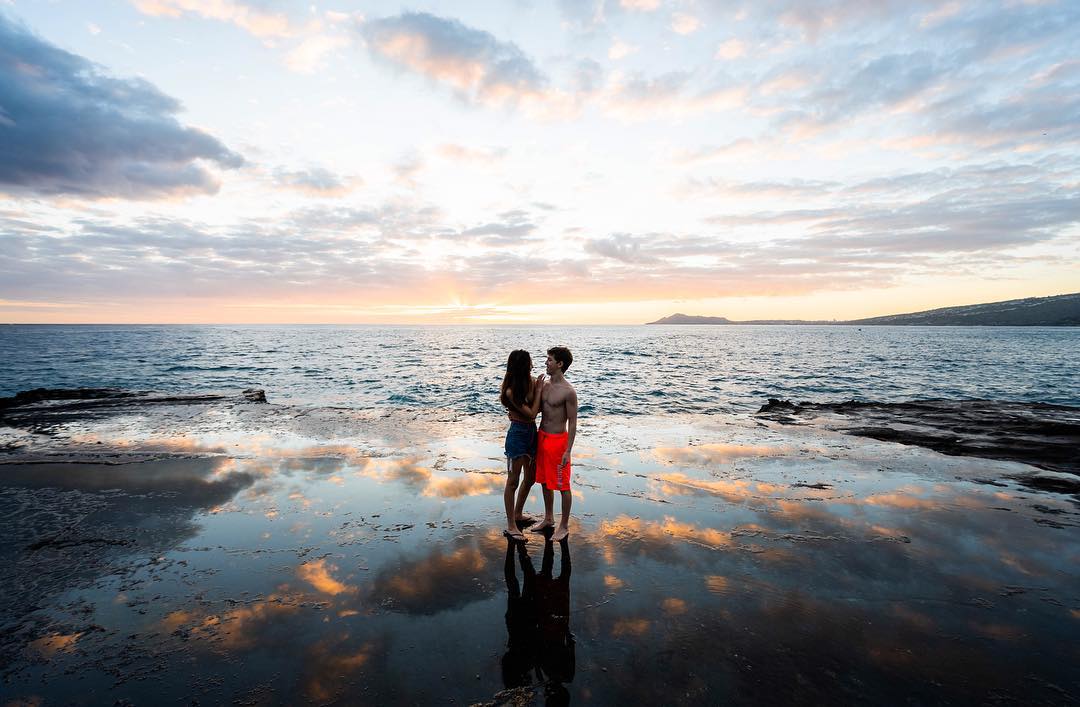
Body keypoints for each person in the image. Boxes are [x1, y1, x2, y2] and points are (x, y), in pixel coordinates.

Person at [528, 346, 577, 542]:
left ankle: (564, 525)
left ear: (560, 364)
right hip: (542, 437)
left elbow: (573, 422)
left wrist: (568, 450)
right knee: (545, 481)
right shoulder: (545, 386)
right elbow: (535, 409)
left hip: (558, 442)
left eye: (549, 360)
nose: (546, 363)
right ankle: (548, 518)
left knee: (562, 484)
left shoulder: (568, 391)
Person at [500, 350, 545, 542]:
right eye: (528, 362)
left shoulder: (533, 381)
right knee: (513, 481)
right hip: (517, 434)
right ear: (522, 365)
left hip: (531, 434)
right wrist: (540, 391)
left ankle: (518, 514)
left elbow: (540, 407)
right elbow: (532, 413)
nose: (532, 365)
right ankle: (511, 525)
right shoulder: (510, 390)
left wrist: (540, 390)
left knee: (531, 477)